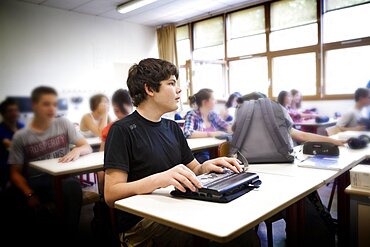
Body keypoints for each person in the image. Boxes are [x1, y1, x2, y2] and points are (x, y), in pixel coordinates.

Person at [104, 58, 260, 247]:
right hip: (142, 224)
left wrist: (207, 166)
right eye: (171, 83)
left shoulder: (171, 127)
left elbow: (194, 168)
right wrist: (159, 179)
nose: (179, 90)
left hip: (177, 207)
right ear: (150, 89)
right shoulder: (122, 130)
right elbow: (111, 194)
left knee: (241, 232)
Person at [6, 86, 92, 244]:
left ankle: (69, 235)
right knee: (11, 196)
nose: (52, 108)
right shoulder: (21, 136)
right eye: (46, 104)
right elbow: (15, 173)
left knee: (72, 187)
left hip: (60, 178)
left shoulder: (63, 123)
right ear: (34, 106)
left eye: (54, 104)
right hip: (35, 180)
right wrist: (29, 193)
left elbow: (86, 146)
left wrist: (78, 150)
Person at [183, 88, 232, 163]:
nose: (215, 101)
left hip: (215, 149)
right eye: (213, 99)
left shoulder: (213, 114)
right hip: (200, 152)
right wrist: (212, 134)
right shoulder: (192, 114)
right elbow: (187, 133)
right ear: (205, 102)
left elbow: (227, 127)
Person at [98, 88, 133, 192]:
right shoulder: (110, 129)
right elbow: (102, 156)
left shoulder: (111, 128)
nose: (121, 115)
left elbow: (102, 156)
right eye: (117, 111)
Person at [0, 98, 25, 191]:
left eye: (16, 110)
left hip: (23, 167)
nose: (14, 113)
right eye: (10, 111)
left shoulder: (22, 126)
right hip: (6, 170)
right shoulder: (1, 130)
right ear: (3, 113)